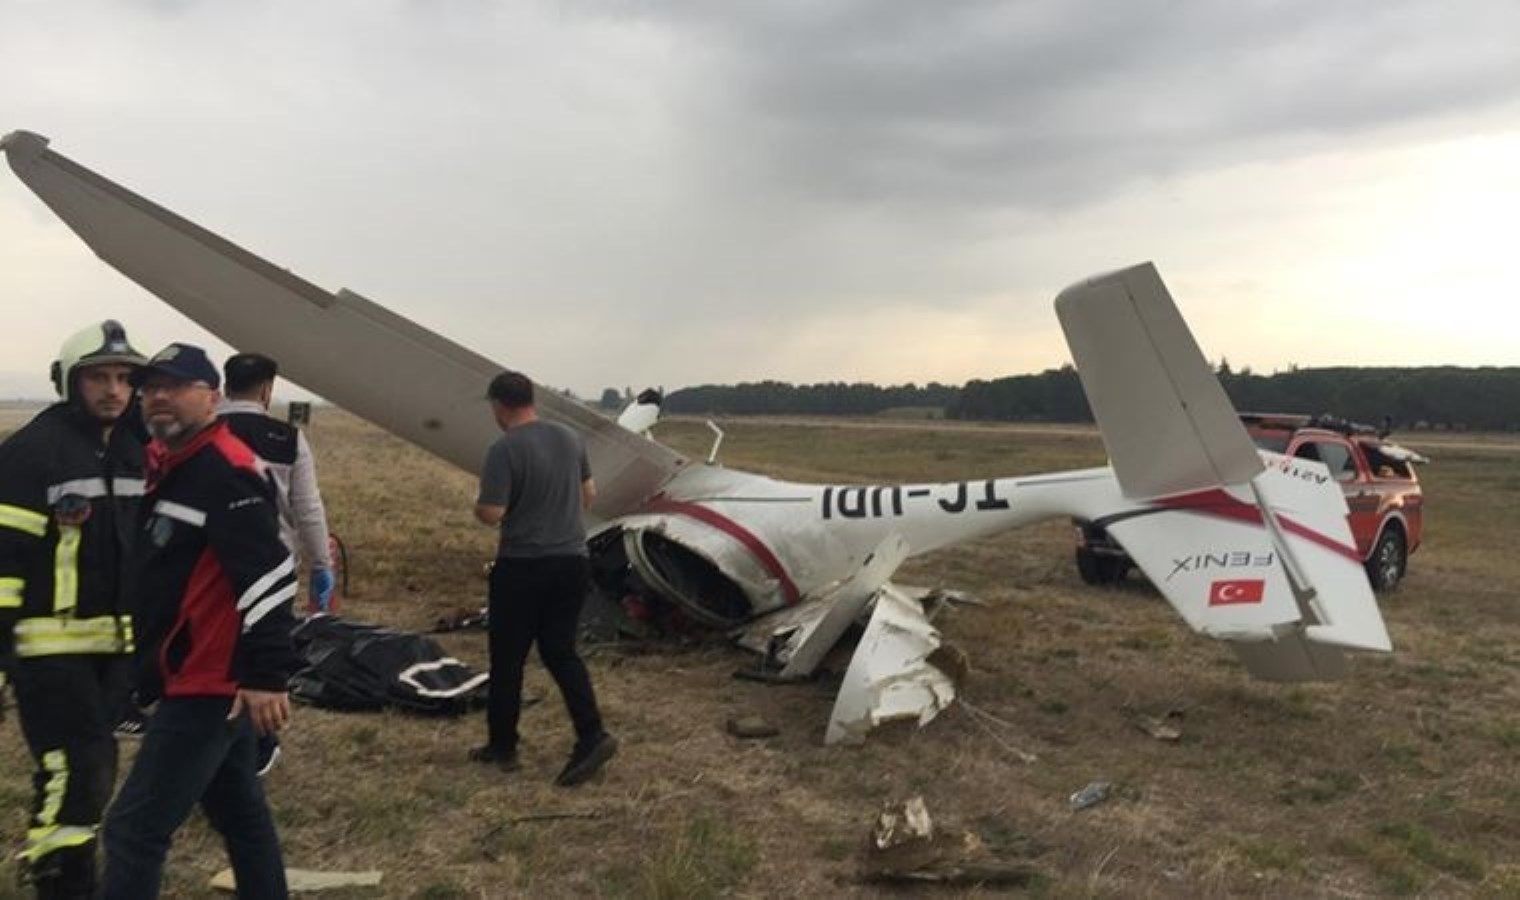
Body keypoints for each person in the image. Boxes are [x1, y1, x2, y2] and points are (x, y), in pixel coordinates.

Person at [100, 343, 298, 899]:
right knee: (240, 814)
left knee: (133, 829)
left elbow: (271, 573)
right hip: (196, 673)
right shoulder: (171, 463)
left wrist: (265, 675)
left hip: (208, 683)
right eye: (151, 388)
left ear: (211, 398)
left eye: (175, 387)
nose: (158, 398)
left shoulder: (225, 470)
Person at [0, 321, 147, 898]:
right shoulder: (31, 453)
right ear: (69, 382)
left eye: (124, 378)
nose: (113, 390)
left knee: (94, 764)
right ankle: (59, 881)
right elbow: (3, 560)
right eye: (98, 378)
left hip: (117, 650)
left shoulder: (140, 451)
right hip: (47, 650)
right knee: (76, 770)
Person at [472, 370, 616, 786]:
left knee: (508, 658)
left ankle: (503, 746)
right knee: (560, 651)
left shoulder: (504, 449)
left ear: (499, 405)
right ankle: (591, 734)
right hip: (573, 562)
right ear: (531, 400)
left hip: (523, 566)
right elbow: (589, 494)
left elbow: (492, 513)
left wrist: (479, 505)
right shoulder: (570, 438)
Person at [218, 352, 334, 614]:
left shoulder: (201, 434)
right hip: (273, 569)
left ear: (226, 388)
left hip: (212, 566)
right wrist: (321, 564)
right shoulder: (289, 439)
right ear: (266, 391)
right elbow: (308, 509)